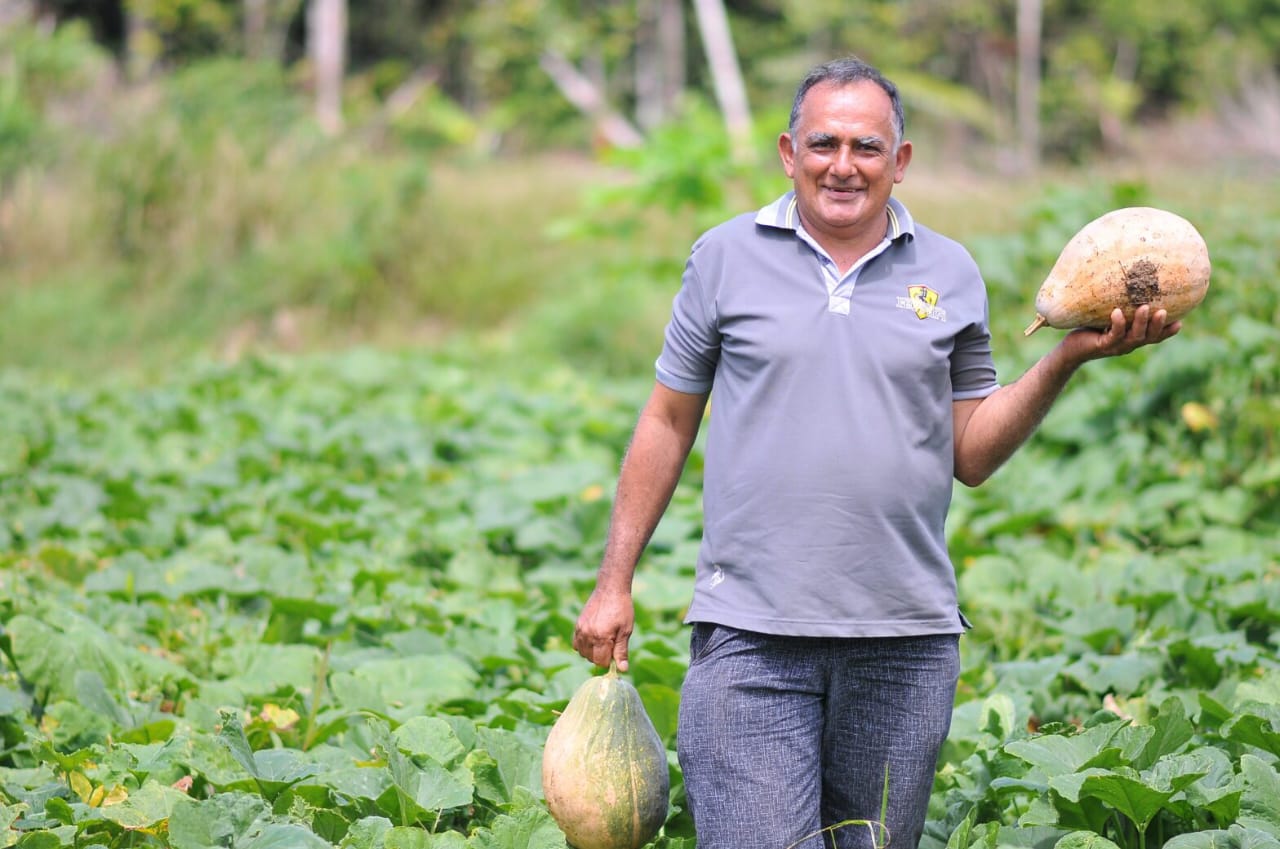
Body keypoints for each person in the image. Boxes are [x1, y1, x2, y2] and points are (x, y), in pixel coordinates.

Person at [571, 56, 1180, 849]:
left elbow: (972, 451)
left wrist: (1066, 358)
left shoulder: (950, 272)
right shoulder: (724, 257)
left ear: (901, 161)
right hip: (751, 634)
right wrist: (613, 581)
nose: (843, 165)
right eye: (824, 144)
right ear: (789, 152)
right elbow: (666, 419)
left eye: (867, 147)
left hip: (905, 643)